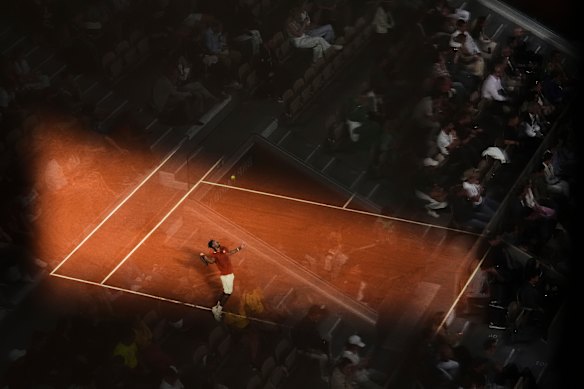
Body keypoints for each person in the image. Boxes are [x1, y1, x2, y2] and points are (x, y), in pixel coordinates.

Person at [199, 239, 244, 321]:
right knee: (228, 293)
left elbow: (230, 253)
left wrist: (239, 248)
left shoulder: (223, 248)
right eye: (215, 242)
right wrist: (204, 257)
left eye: (216, 241)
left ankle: (215, 307)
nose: (217, 242)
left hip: (230, 274)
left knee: (225, 292)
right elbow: (210, 261)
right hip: (225, 276)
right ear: (213, 246)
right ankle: (218, 310)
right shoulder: (214, 255)